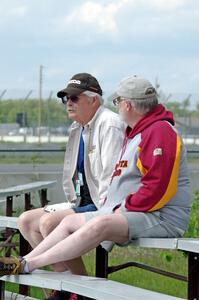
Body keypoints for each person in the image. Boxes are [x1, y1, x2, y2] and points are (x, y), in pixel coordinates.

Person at [0, 75, 191, 297]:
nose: (117, 107)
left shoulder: (160, 131)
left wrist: (122, 207)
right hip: (133, 211)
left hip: (161, 216)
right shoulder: (138, 131)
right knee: (70, 221)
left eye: (117, 102)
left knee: (100, 223)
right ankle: (23, 262)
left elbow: (159, 188)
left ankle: (30, 265)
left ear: (127, 104)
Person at [16, 73, 125, 300]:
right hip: (83, 201)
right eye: (66, 99)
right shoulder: (78, 127)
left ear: (94, 100)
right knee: (25, 221)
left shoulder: (109, 124)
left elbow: (112, 182)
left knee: (49, 223)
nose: (69, 103)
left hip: (105, 205)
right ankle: (64, 289)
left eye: (74, 98)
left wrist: (99, 215)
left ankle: (82, 293)